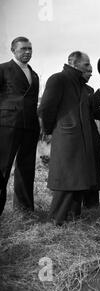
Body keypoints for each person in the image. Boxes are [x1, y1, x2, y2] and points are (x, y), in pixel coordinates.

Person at [38, 51, 100, 225]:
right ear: (72, 63)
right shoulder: (58, 79)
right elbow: (46, 108)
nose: (90, 68)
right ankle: (56, 222)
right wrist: (51, 130)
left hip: (80, 140)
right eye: (86, 65)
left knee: (78, 181)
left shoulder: (79, 84)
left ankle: (72, 220)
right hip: (68, 138)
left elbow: (88, 108)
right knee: (66, 182)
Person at [0, 36, 40, 216]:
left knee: (26, 168)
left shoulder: (35, 74)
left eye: (30, 49)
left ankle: (24, 210)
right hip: (7, 126)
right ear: (13, 50)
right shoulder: (3, 69)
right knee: (2, 168)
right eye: (23, 48)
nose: (28, 52)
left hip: (30, 126)